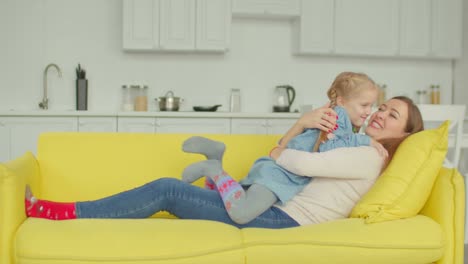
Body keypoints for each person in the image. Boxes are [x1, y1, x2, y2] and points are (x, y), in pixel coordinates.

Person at [25, 96, 424, 229]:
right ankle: (216, 167)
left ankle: (61, 213)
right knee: (168, 189)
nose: (378, 115)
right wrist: (299, 130)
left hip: (284, 220)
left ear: (404, 135)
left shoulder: (368, 157)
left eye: (391, 116)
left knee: (167, 189)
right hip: (277, 206)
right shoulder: (359, 145)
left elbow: (303, 164)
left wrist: (282, 151)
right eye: (381, 108)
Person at [181, 71, 385, 223]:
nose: (369, 111)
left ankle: (214, 158)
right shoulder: (338, 118)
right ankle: (214, 170)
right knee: (241, 213)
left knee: (224, 199)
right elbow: (329, 149)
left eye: (371, 105)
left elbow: (293, 145)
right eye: (364, 105)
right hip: (281, 177)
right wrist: (366, 141)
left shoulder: (330, 115)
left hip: (276, 170)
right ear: (341, 101)